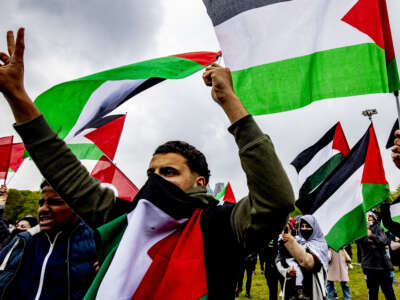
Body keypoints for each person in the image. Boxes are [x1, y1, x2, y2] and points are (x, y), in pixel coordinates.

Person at [0, 28, 294, 299]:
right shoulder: (125, 222)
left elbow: (276, 201)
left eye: (169, 172)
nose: (155, 180)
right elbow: (61, 166)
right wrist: (17, 96)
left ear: (199, 182)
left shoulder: (222, 225)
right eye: (151, 173)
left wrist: (230, 102)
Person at [0, 181, 97, 299]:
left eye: (55, 202)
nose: (43, 209)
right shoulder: (24, 240)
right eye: (41, 203)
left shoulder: (96, 247)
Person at [279, 215, 329, 300]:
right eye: (302, 226)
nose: (304, 229)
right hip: (292, 289)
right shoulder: (298, 240)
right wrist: (287, 271)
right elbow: (281, 259)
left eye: (308, 226)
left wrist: (291, 242)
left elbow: (308, 263)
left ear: (315, 228)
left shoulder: (320, 245)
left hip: (312, 290)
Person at [357, 212, 397, 300]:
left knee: (389, 291)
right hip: (369, 267)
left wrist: (371, 236)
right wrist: (366, 231)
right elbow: (362, 242)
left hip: (383, 267)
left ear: (374, 218)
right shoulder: (360, 232)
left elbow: (384, 241)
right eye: (366, 217)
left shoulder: (379, 228)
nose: (368, 219)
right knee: (372, 292)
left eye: (370, 217)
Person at [0, 184, 38, 250]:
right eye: (17, 226)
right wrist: (2, 199)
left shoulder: (33, 250)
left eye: (23, 227)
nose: (18, 228)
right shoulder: (7, 239)